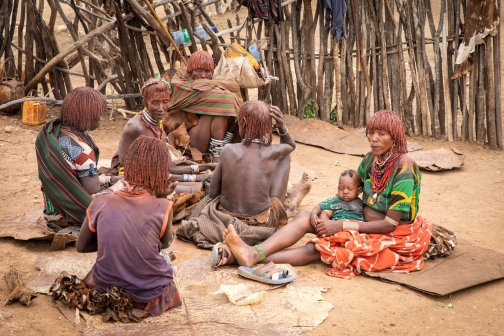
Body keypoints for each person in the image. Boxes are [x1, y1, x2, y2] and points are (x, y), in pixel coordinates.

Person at [218, 110, 437, 279]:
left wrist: (340, 226)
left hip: (392, 233)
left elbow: (390, 224)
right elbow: (349, 193)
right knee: (305, 216)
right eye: (371, 133)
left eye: (382, 134)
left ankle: (246, 256)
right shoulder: (372, 160)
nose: (374, 139)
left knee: (321, 247)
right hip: (358, 218)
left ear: (395, 137)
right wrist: (326, 214)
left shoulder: (404, 168)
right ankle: (251, 253)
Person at [176, 101, 312, 258]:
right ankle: (285, 202)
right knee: (285, 156)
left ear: (244, 124)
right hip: (262, 222)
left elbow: (213, 192)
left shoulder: (228, 150)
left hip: (223, 218)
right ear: (269, 126)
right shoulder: (273, 151)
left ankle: (292, 196)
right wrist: (281, 126)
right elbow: (290, 145)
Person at [76, 136, 181, 316]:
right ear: (163, 173)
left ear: (129, 166)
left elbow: (81, 246)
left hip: (107, 289)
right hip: (148, 295)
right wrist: (163, 198)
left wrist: (112, 244)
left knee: (97, 273)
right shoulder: (163, 206)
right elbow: (165, 244)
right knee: (165, 263)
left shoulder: (101, 201)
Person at [112, 78, 215, 189]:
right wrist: (199, 177)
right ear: (144, 101)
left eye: (165, 102)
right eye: (155, 103)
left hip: (156, 170)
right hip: (135, 177)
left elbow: (167, 166)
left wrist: (207, 166)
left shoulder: (156, 121)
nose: (161, 109)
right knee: (196, 187)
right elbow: (159, 172)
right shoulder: (139, 127)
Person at [35, 87, 118, 226]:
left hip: (51, 209)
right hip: (69, 214)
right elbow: (92, 189)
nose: (101, 118)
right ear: (86, 117)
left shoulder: (54, 132)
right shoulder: (82, 149)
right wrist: (116, 182)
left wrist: (111, 178)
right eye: (99, 114)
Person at [166, 51, 243, 161]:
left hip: (218, 135)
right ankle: (217, 155)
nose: (203, 75)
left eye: (207, 71)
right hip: (190, 137)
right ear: (190, 70)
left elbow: (233, 86)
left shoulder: (214, 79)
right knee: (223, 104)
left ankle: (220, 148)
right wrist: (213, 87)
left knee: (223, 109)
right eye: (198, 71)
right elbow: (226, 99)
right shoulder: (179, 82)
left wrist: (208, 84)